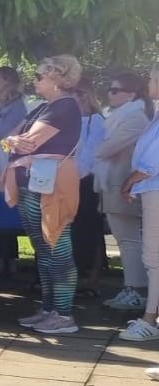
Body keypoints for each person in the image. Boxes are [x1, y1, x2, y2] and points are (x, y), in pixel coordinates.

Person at [3, 55, 85, 335]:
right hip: (33, 183)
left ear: (58, 80)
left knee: (57, 249)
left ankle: (64, 316)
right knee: (43, 249)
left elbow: (25, 144)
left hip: (52, 185)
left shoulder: (65, 107)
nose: (34, 80)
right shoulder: (42, 108)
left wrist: (13, 142)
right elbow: (8, 139)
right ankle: (49, 309)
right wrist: (13, 142)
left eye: (39, 76)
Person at [100, 72, 154, 314]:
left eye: (115, 90)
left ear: (131, 94)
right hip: (114, 183)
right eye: (109, 90)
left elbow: (104, 148)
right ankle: (134, 289)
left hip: (123, 184)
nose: (110, 94)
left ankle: (136, 290)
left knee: (129, 240)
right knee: (126, 240)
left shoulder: (134, 117)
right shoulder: (119, 116)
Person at [119, 65, 159, 342]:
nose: (148, 82)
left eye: (151, 77)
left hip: (155, 188)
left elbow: (152, 163)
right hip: (151, 188)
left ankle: (150, 319)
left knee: (153, 258)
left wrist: (131, 180)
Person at [70, 87, 108, 292]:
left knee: (90, 228)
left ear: (83, 95)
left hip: (88, 181)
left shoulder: (97, 121)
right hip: (70, 180)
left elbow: (92, 152)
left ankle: (92, 275)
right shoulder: (72, 120)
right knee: (75, 228)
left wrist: (75, 173)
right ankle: (76, 272)